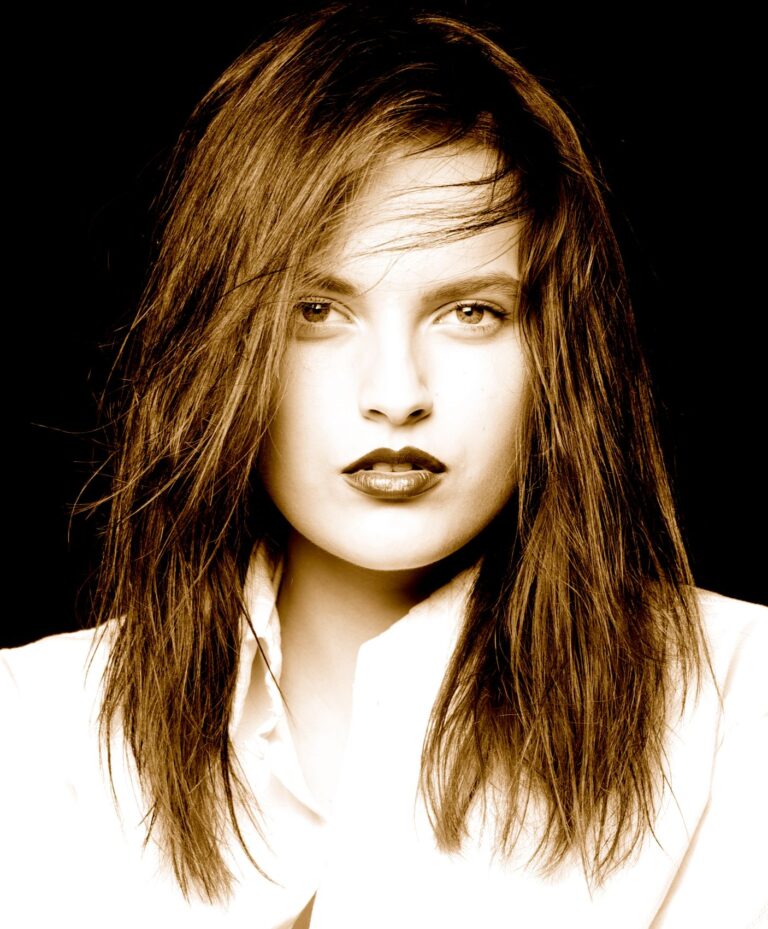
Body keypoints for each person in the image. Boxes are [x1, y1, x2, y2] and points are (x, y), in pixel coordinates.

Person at [2, 5, 766, 927]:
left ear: (558, 352)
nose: (397, 393)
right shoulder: (40, 729)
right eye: (317, 312)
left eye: (471, 312)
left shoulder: (736, 695)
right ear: (220, 345)